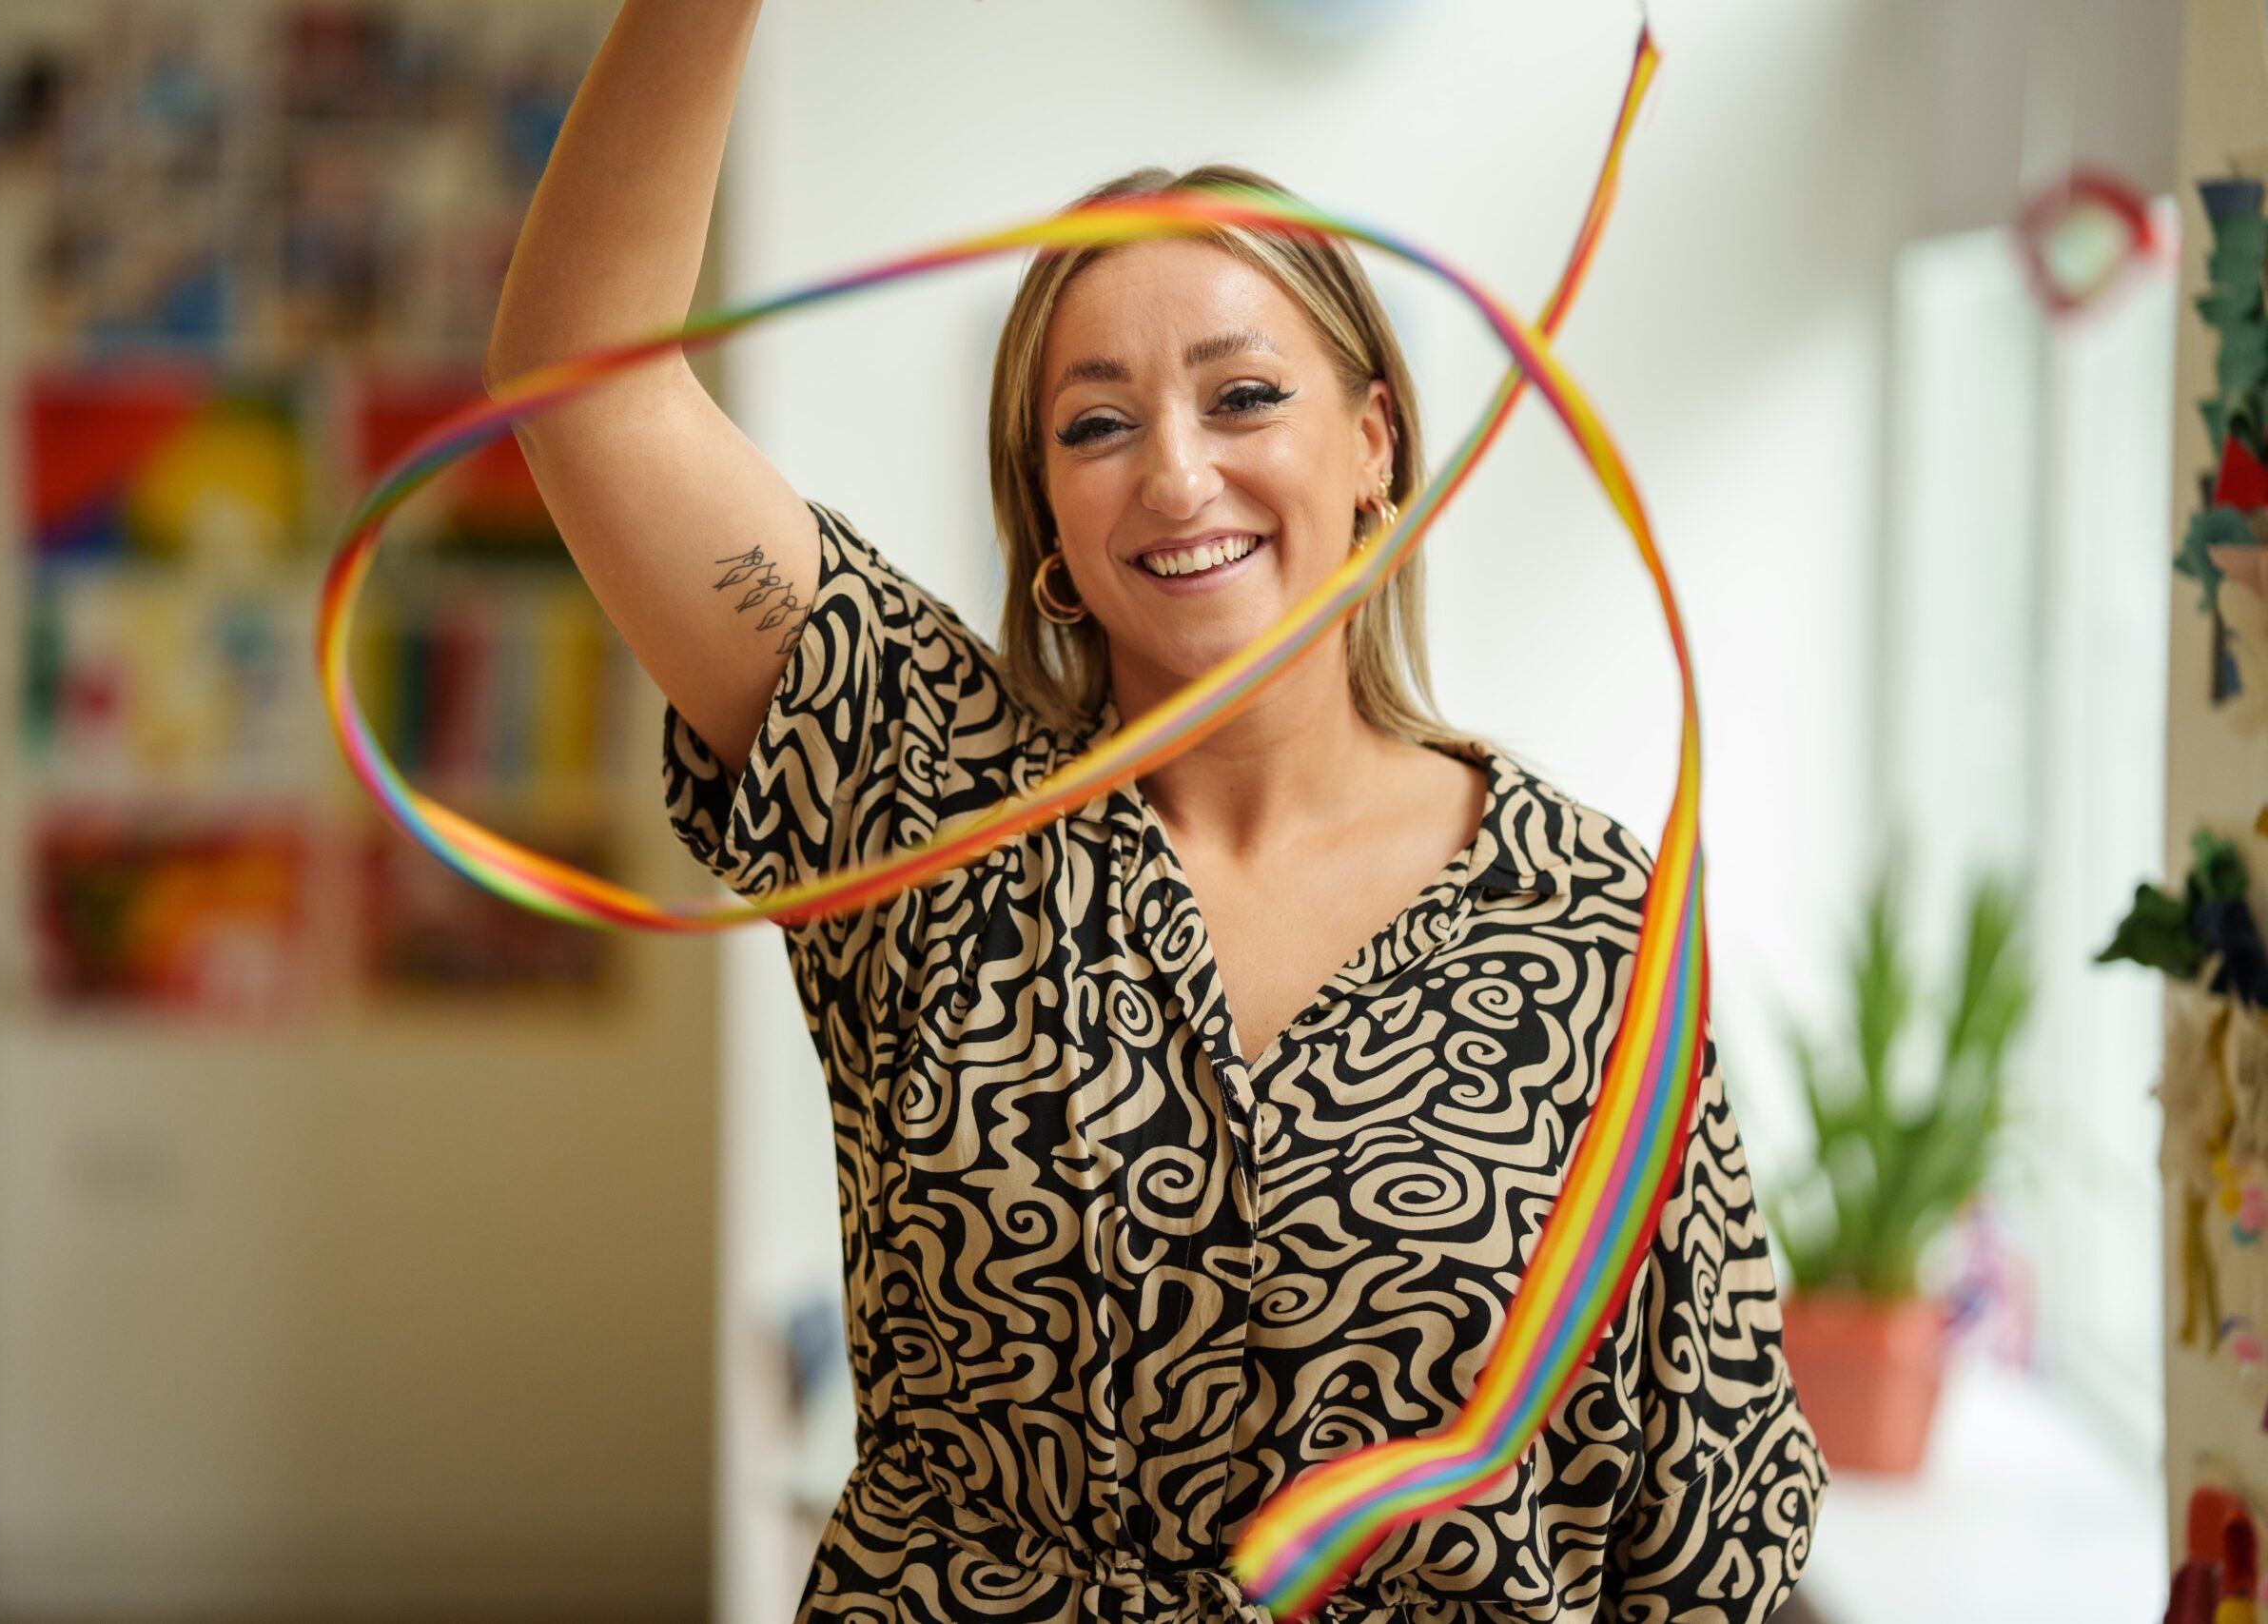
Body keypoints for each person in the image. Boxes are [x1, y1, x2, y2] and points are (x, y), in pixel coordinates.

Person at [485, 3, 1828, 1619]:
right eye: (1099, 424)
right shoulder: (918, 796)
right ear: (1049, 521)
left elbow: (1713, 1530)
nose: (1177, 476)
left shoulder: (1596, 917)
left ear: (1374, 450)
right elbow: (585, 386)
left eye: (1244, 395)